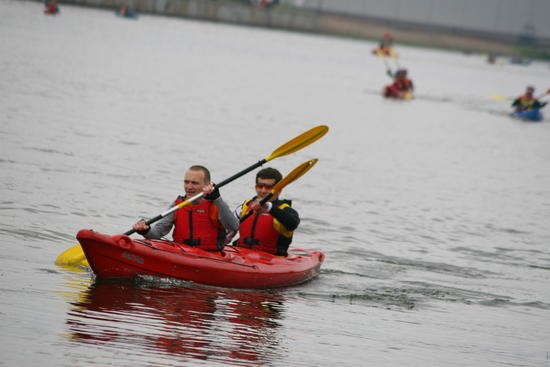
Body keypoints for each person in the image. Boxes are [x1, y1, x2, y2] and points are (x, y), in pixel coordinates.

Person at [133, 165, 239, 251]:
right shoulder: (177, 205)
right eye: (186, 182)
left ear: (207, 184)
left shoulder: (216, 204)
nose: (189, 187)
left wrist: (217, 198)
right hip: (182, 252)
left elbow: (233, 226)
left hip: (210, 255)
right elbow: (157, 234)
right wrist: (146, 231)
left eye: (194, 183)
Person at [231, 167, 300, 256]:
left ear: (279, 190)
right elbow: (228, 231)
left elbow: (293, 223)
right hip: (241, 254)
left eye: (269, 187)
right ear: (256, 187)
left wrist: (269, 207)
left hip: (271, 259)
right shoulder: (245, 206)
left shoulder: (285, 210)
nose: (263, 191)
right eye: (260, 186)